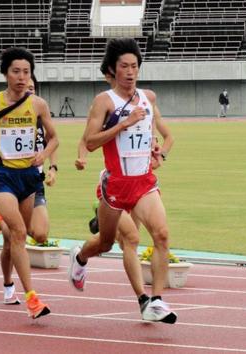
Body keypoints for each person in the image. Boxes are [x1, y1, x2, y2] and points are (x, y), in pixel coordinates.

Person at [68, 37, 177, 324]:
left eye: (134, 66)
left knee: (160, 235)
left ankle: (153, 301)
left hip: (143, 182)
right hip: (115, 184)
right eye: (124, 66)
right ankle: (80, 257)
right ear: (113, 70)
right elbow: (90, 142)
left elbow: (156, 134)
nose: (130, 72)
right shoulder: (104, 101)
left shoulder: (148, 98)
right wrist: (123, 124)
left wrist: (156, 151)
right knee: (105, 243)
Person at [0, 47, 58, 319]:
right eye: (16, 71)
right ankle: (32, 298)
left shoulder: (38, 104)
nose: (21, 77)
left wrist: (45, 154)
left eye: (26, 72)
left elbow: (54, 138)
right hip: (2, 176)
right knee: (18, 233)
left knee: (18, 236)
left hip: (28, 178)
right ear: (5, 73)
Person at [0, 76, 58, 305]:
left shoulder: (39, 115)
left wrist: (52, 166)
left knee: (40, 234)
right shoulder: (7, 117)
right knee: (15, 237)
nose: (29, 92)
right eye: (26, 89)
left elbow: (52, 141)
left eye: (33, 89)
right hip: (8, 183)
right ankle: (9, 285)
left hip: (34, 183)